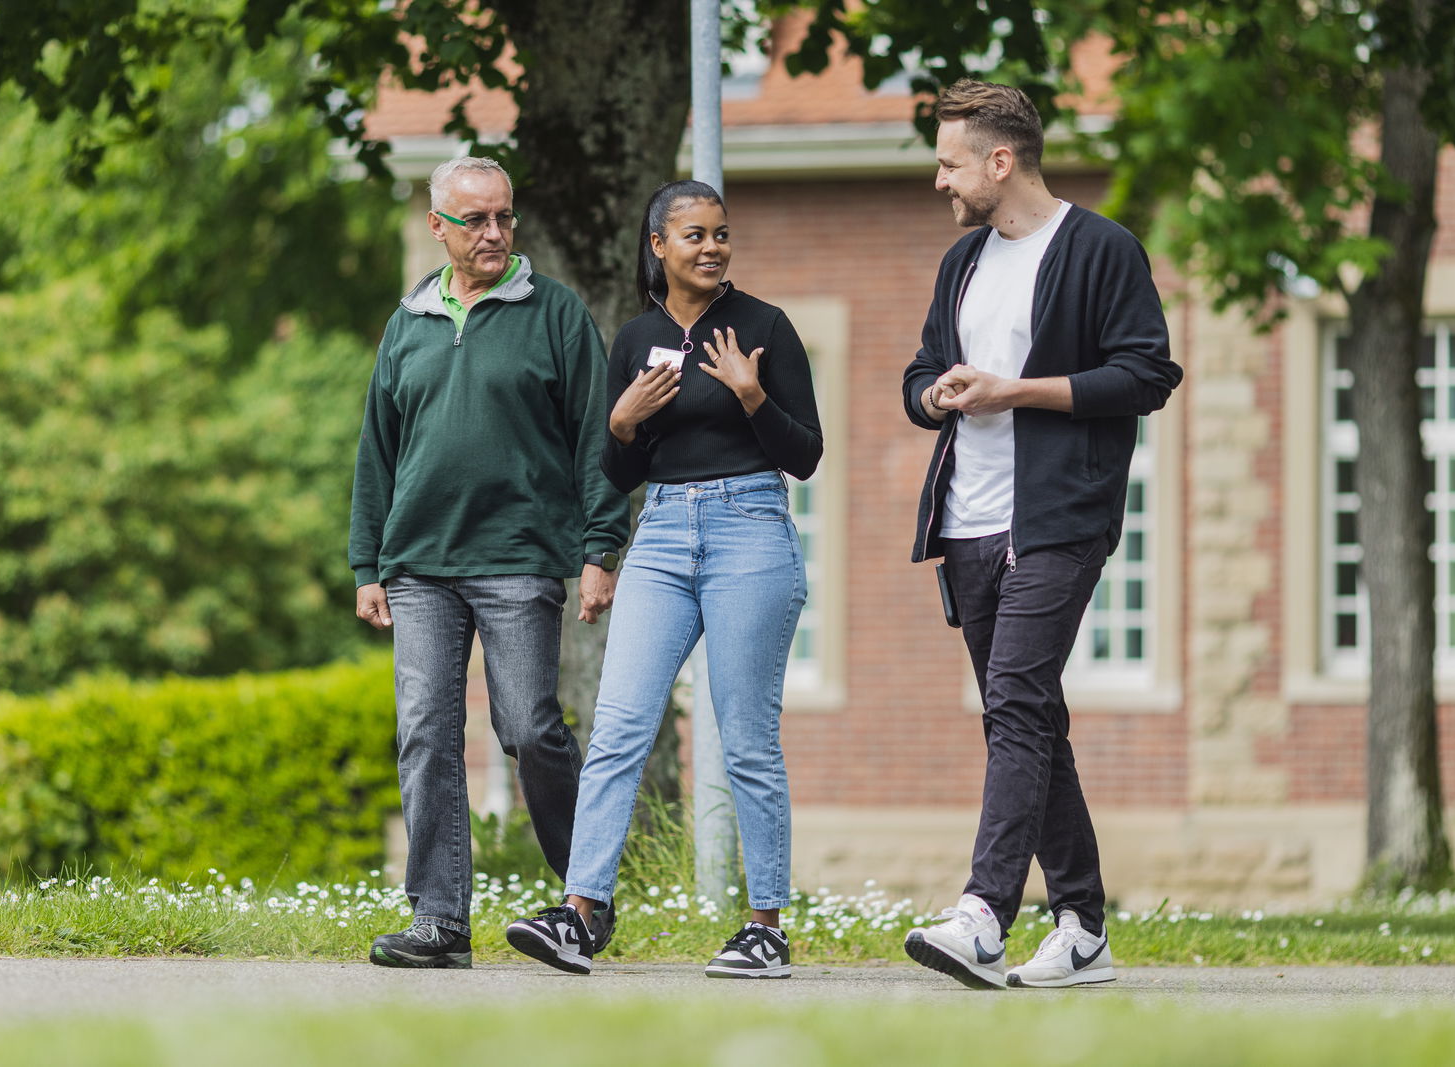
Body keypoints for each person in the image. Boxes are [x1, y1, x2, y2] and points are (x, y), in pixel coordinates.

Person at [900, 80, 1183, 990]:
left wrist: (1016, 391)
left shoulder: (1100, 249)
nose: (939, 182)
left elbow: (1147, 373)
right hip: (969, 522)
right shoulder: (963, 263)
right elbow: (918, 372)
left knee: (1014, 704)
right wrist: (935, 393)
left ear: (999, 159)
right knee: (1029, 719)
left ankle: (984, 913)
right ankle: (1084, 927)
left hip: (1059, 519)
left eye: (949, 164)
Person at [504, 179, 822, 979]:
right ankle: (579, 913)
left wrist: (752, 396)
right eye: (694, 235)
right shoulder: (636, 337)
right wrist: (620, 421)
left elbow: (806, 455)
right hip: (663, 534)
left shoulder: (764, 329)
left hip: (751, 527)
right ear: (659, 245)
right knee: (617, 727)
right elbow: (620, 468)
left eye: (721, 234)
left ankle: (766, 927)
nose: (711, 247)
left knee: (746, 737)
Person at [349, 156, 631, 969]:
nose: (495, 233)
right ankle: (438, 922)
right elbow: (377, 451)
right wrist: (367, 562)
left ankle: (586, 896)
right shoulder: (408, 323)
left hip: (518, 557)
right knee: (426, 734)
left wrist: (599, 549)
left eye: (504, 216)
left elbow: (596, 437)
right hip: (419, 565)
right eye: (475, 220)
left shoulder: (556, 314)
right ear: (438, 227)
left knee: (530, 727)